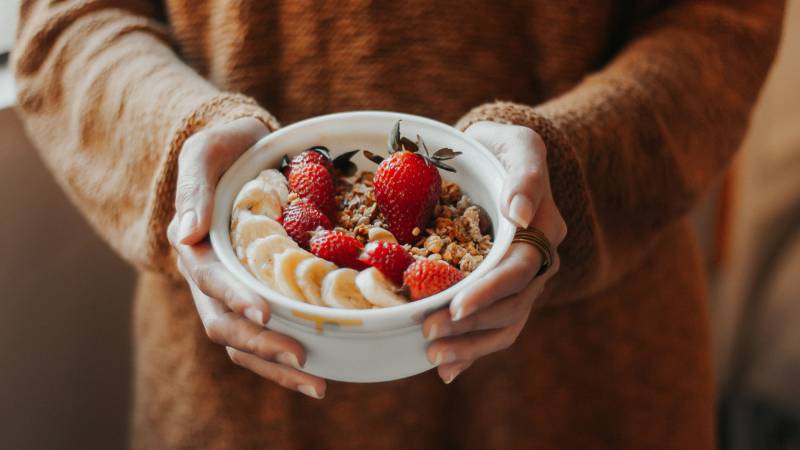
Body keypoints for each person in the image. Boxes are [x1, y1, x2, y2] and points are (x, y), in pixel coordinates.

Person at [13, 0, 783, 448]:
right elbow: (67, 20)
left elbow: (725, 19)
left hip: (586, 383)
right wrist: (183, 145)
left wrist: (572, 165)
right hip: (244, 381)